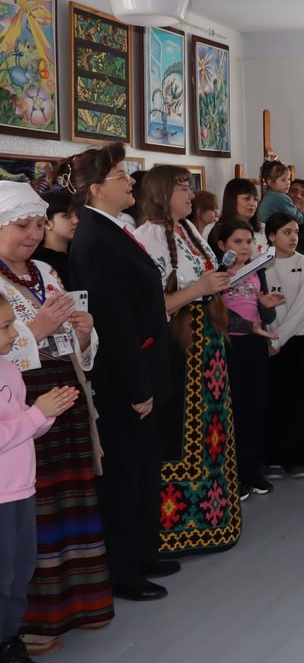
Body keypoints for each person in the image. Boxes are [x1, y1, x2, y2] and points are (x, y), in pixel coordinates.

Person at [0, 184, 108, 656]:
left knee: (70, 500)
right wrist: (36, 331)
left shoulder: (46, 271)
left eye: (38, 225)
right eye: (21, 225)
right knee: (33, 513)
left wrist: (83, 334)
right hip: (19, 406)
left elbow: (74, 342)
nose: (32, 234)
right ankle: (29, 623)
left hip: (63, 397)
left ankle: (79, 604)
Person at [68, 143, 173, 602]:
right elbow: (113, 321)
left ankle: (144, 553)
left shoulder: (114, 228)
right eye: (120, 176)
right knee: (125, 474)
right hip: (122, 376)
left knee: (145, 467)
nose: (131, 182)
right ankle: (124, 571)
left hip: (141, 364)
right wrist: (137, 385)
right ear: (95, 189)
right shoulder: (94, 240)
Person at [134, 165, 242, 556]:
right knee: (179, 435)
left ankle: (212, 519)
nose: (190, 195)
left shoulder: (189, 230)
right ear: (162, 193)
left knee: (210, 434)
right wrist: (199, 288)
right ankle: (177, 526)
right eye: (183, 188)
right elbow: (152, 306)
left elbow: (204, 281)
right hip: (179, 346)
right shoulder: (147, 237)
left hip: (206, 343)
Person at [0, 296, 76, 663]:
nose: (15, 334)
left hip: (20, 489)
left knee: (18, 573)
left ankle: (9, 647)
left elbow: (21, 426)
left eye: (13, 323)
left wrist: (46, 413)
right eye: (5, 327)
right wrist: (35, 415)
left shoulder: (9, 369)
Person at [211, 220, 283, 500]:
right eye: (237, 242)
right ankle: (235, 476)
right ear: (222, 245)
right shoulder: (216, 274)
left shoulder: (257, 271)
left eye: (249, 241)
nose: (244, 247)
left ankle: (253, 472)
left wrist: (267, 307)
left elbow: (264, 314)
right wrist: (247, 326)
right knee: (234, 410)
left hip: (254, 345)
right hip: (228, 346)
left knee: (256, 408)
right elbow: (215, 315)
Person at [263, 213, 304, 480]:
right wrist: (272, 338)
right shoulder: (262, 264)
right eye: (286, 232)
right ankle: (274, 457)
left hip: (299, 341)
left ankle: (296, 458)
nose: (293, 237)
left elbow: (302, 307)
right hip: (271, 340)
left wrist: (279, 339)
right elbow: (263, 304)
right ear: (272, 236)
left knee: (300, 400)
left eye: (296, 232)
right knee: (275, 400)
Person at [257, 159, 304, 226]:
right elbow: (298, 219)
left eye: (288, 179)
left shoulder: (268, 195)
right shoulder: (280, 198)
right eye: (283, 180)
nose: (288, 183)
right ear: (270, 182)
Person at [32, 190, 75, 289]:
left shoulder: (79, 252)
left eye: (77, 214)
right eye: (66, 216)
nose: (75, 221)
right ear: (46, 223)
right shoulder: (40, 263)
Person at [216, 178, 266, 252]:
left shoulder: (264, 229)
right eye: (247, 199)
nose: (253, 204)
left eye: (255, 200)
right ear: (231, 200)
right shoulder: (216, 230)